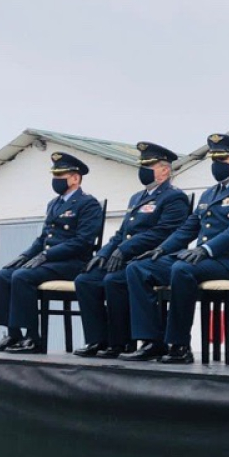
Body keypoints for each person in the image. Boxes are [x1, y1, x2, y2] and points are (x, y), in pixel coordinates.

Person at [122, 134, 229, 363]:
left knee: (182, 269)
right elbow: (189, 227)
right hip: (200, 259)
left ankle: (179, 346)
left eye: (222, 161)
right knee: (138, 268)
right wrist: (162, 249)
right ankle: (152, 341)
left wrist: (206, 249)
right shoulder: (210, 193)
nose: (216, 166)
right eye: (214, 161)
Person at [73, 142, 189, 358]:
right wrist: (104, 253)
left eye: (149, 165)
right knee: (86, 280)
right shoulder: (137, 198)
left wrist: (125, 249)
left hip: (153, 257)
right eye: (142, 165)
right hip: (125, 257)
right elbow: (121, 233)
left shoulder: (174, 197)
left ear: (165, 170)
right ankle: (99, 339)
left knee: (113, 280)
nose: (143, 170)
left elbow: (163, 232)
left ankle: (131, 342)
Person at [0, 152, 102, 354]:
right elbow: (43, 239)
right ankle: (13, 335)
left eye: (61, 176)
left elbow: (82, 242)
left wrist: (48, 255)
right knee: (0, 277)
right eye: (55, 176)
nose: (56, 181)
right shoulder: (54, 204)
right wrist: (24, 256)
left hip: (72, 263)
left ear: (75, 178)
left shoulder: (88, 204)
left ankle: (33, 338)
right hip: (49, 262)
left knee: (22, 277)